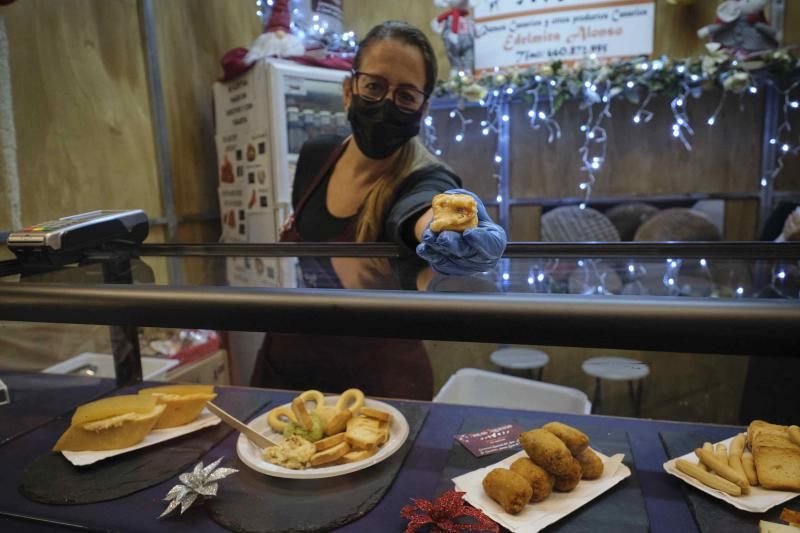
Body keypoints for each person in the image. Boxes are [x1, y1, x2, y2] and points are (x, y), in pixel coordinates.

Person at [251, 20, 506, 399]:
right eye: (374, 86)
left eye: (406, 95)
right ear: (349, 89)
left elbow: (419, 210)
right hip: (284, 374)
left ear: (423, 108)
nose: (387, 104)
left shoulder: (427, 178)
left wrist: (440, 230)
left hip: (378, 391)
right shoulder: (316, 155)